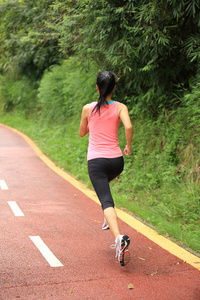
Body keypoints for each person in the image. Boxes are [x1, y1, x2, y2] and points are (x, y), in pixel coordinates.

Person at [79, 70, 133, 266]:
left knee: (105, 200)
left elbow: (82, 133)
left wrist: (90, 124)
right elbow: (128, 127)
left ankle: (119, 238)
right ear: (114, 88)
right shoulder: (120, 107)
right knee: (105, 191)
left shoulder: (88, 108)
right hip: (117, 162)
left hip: (97, 162)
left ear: (97, 87)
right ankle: (107, 218)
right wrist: (128, 145)